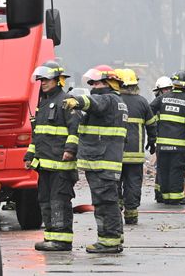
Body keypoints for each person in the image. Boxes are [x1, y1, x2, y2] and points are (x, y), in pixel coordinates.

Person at [66, 65, 130, 254]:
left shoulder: (107, 99)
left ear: (110, 83)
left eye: (98, 82)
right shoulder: (117, 101)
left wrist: (76, 101)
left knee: (104, 203)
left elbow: (92, 103)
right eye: (92, 82)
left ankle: (108, 241)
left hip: (101, 160)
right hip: (105, 159)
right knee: (109, 201)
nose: (94, 85)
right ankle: (115, 237)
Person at [25, 64, 80, 252]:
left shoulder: (67, 101)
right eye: (41, 81)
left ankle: (62, 240)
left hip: (61, 165)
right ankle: (51, 236)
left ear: (58, 80)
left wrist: (70, 150)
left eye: (46, 80)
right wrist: (30, 155)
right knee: (45, 200)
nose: (43, 84)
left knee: (59, 201)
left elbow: (75, 130)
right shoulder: (43, 103)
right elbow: (38, 135)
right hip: (45, 164)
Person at [150, 70, 185, 204]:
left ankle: (165, 196)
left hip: (162, 143)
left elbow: (148, 112)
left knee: (163, 168)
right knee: (177, 169)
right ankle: (175, 197)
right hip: (179, 144)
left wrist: (156, 126)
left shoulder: (161, 98)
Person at [116, 68, 152, 226]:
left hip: (115, 154)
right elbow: (152, 125)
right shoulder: (142, 101)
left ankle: (115, 213)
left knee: (114, 184)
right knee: (133, 184)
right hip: (135, 154)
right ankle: (131, 216)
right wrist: (153, 140)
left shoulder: (113, 101)